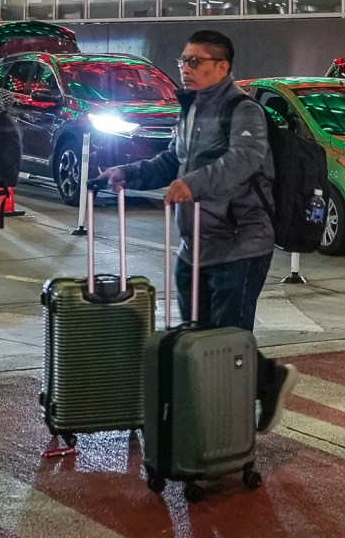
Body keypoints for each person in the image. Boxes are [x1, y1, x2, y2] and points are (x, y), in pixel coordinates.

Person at [102, 29, 294, 427]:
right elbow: (174, 159)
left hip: (240, 242)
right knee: (198, 334)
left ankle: (229, 428)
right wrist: (129, 173)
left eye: (195, 62)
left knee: (227, 340)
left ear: (221, 67)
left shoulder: (243, 110)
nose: (185, 69)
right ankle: (254, 387)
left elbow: (244, 159)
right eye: (182, 61)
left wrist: (195, 184)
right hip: (195, 243)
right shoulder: (190, 109)